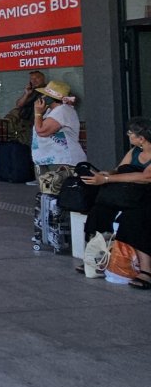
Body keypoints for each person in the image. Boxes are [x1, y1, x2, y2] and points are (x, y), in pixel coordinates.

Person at [80, 117, 151, 289]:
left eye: (130, 133)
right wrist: (105, 173)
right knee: (99, 211)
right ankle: (96, 258)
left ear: (141, 138)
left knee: (134, 218)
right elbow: (120, 169)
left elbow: (145, 177)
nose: (128, 136)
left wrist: (106, 179)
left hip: (146, 196)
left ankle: (146, 270)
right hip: (129, 194)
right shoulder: (134, 151)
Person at [30, 79, 86, 170]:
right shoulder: (50, 110)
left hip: (61, 161)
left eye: (45, 95)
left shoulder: (62, 110)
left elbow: (41, 131)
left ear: (50, 97)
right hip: (48, 159)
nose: (42, 96)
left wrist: (37, 112)